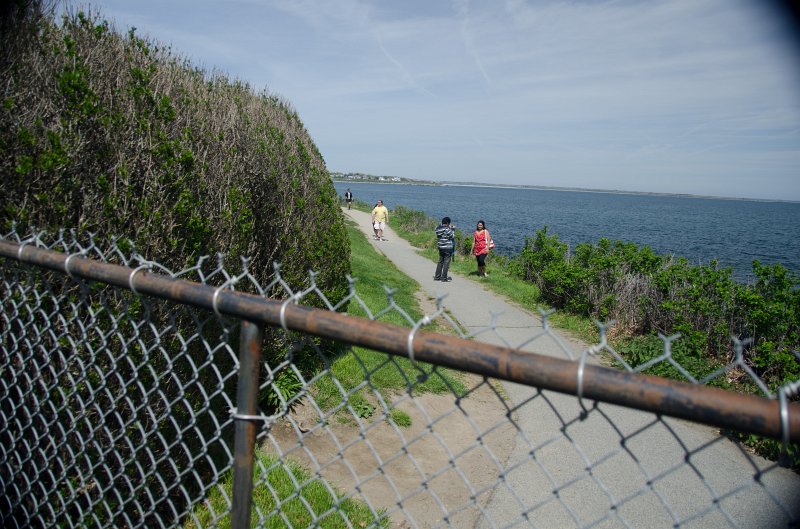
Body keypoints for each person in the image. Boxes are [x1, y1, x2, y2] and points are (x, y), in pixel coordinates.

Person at [434, 217, 456, 282]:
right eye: (449, 223)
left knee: (440, 262)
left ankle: (437, 277)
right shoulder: (447, 229)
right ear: (447, 223)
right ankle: (444, 278)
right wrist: (453, 229)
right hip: (447, 248)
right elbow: (452, 236)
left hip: (441, 247)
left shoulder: (438, 229)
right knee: (446, 263)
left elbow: (437, 228)